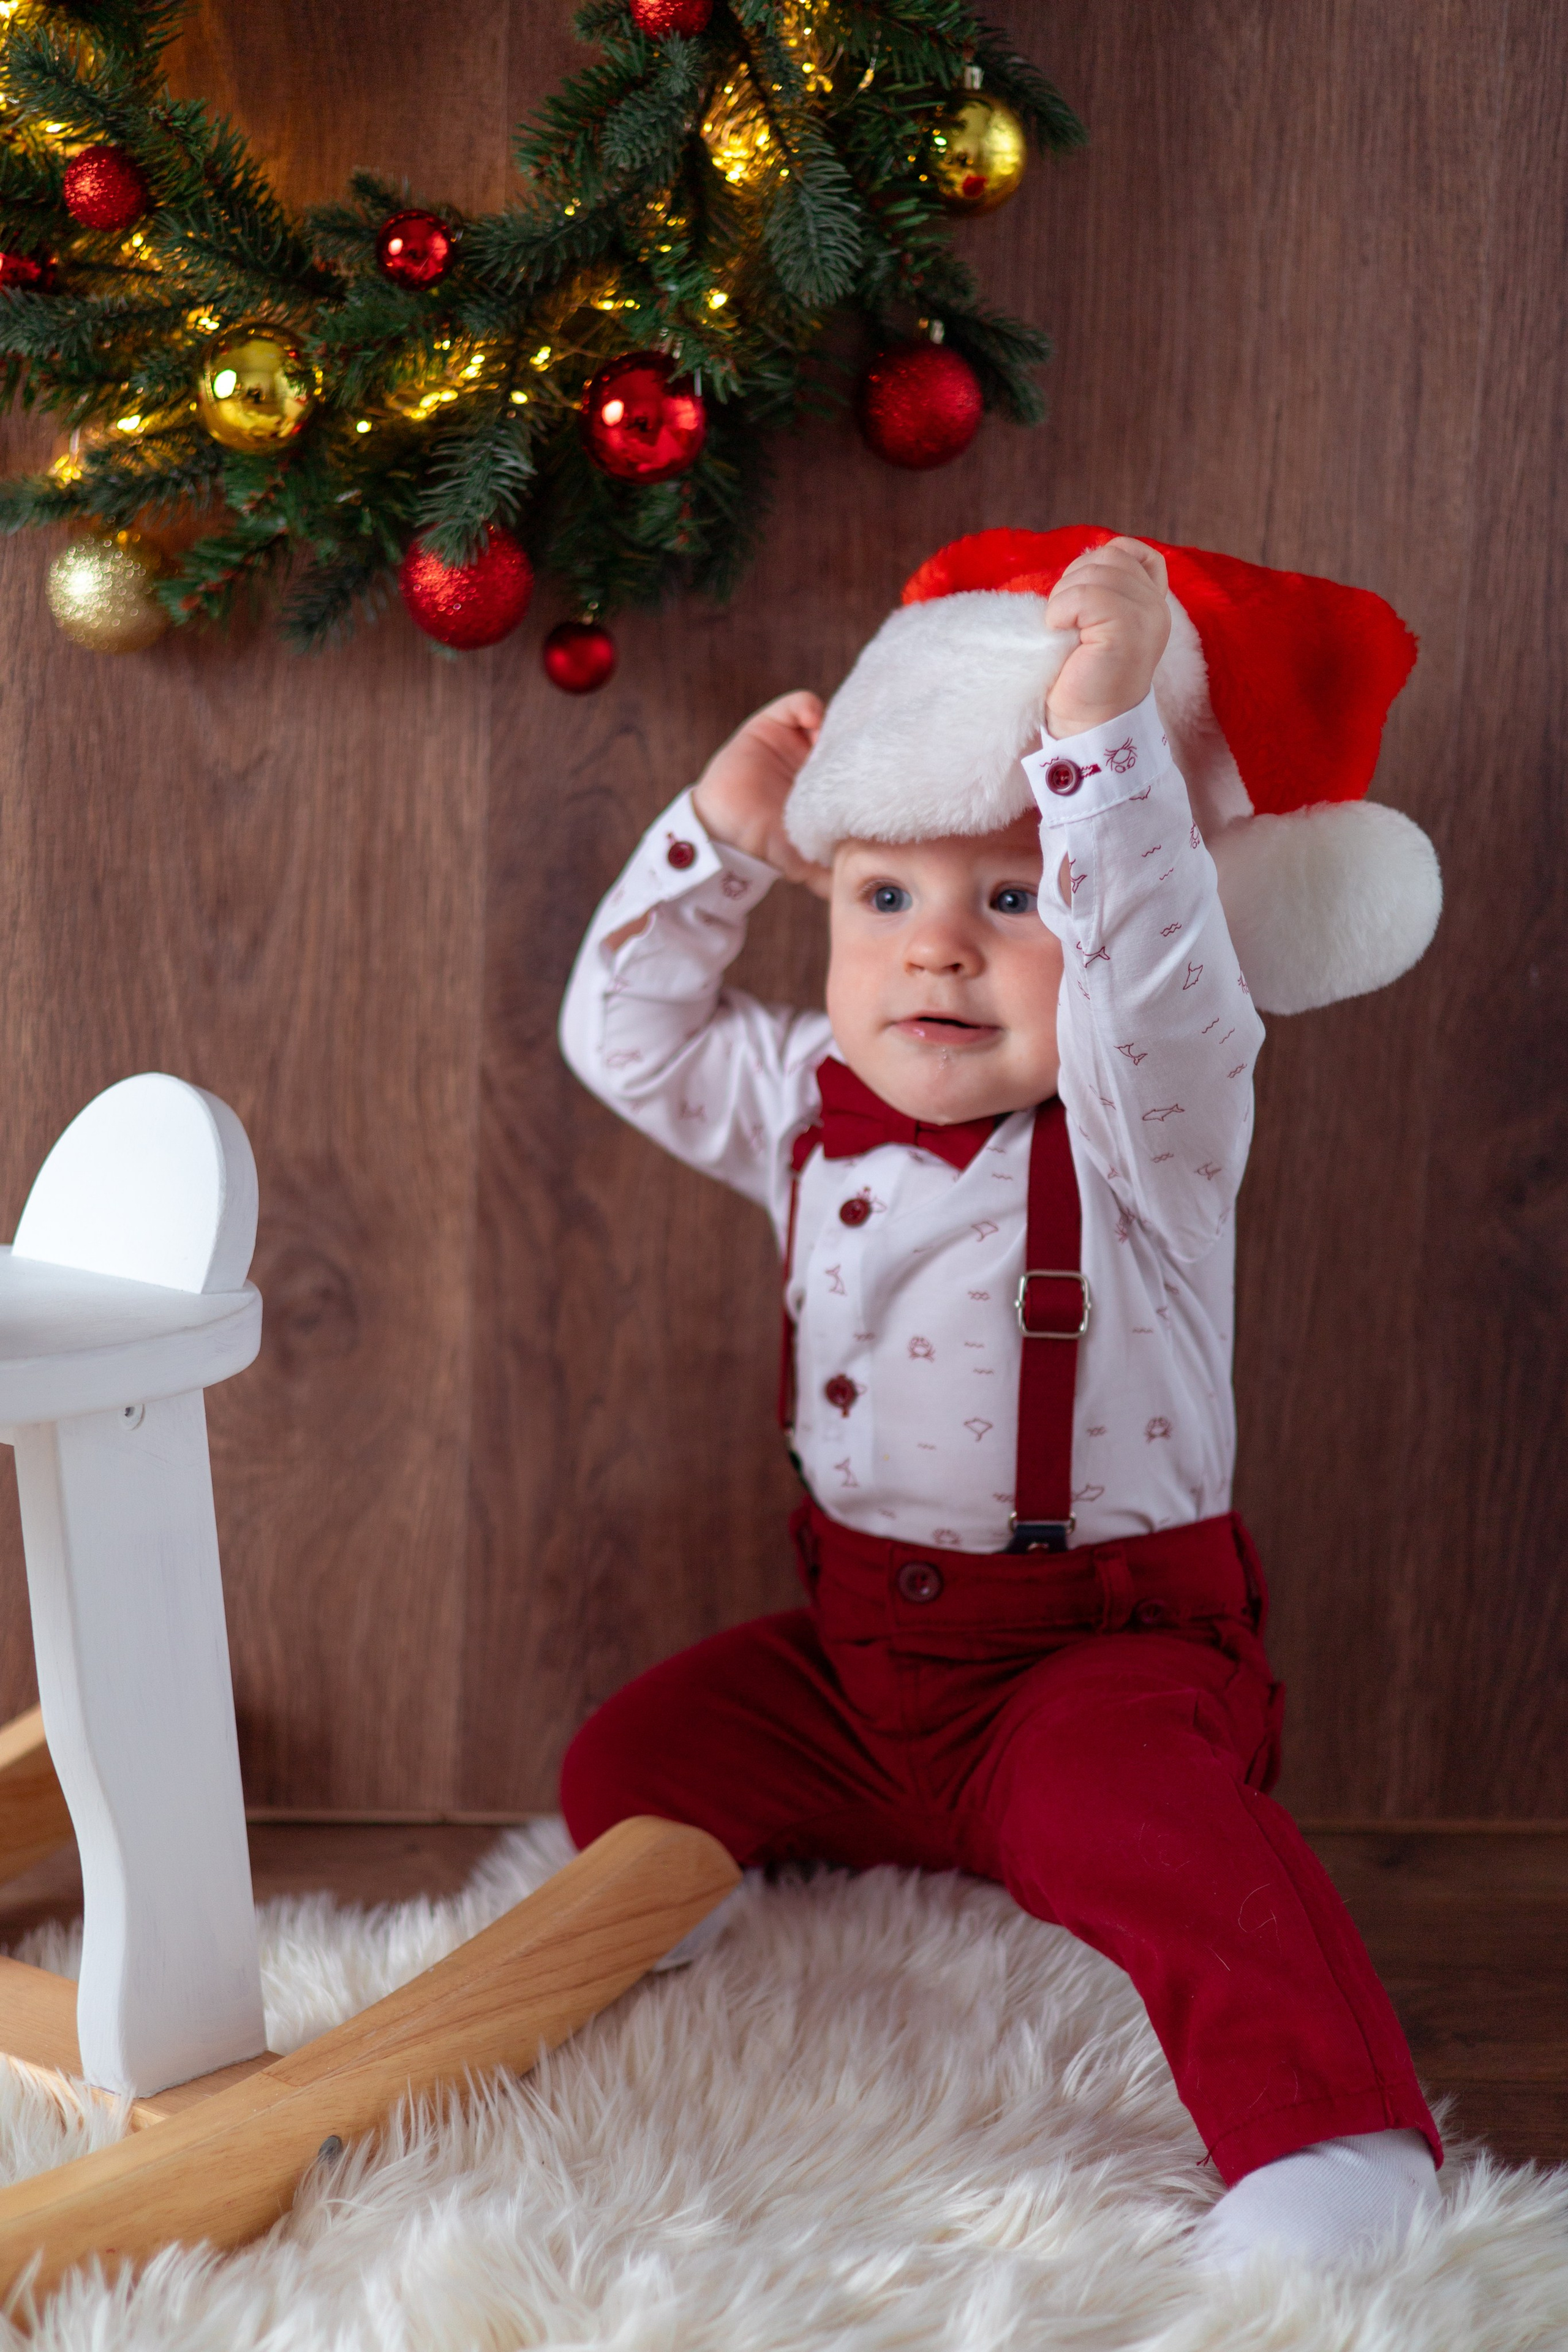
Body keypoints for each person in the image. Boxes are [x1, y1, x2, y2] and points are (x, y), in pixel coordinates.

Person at [556, 526, 1446, 2270]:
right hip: (863, 1656)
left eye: (1011, 899)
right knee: (631, 1769)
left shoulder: (1146, 1134)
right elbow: (627, 1037)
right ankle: (920, 1844)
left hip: (1096, 1660)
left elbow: (1166, 990)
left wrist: (1107, 746)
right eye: (883, 900)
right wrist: (718, 843)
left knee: (1154, 1838)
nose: (938, 954)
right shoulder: (809, 1104)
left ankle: (1340, 2142)